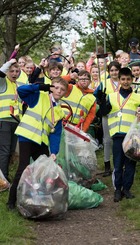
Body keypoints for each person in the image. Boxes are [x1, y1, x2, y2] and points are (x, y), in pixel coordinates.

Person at [7, 77, 68, 210]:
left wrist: (53, 152)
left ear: (65, 93)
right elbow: (21, 90)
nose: (59, 91)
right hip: (27, 137)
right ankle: (11, 201)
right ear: (51, 87)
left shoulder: (59, 111)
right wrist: (39, 87)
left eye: (62, 89)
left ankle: (40, 199)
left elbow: (55, 134)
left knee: (45, 171)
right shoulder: (38, 96)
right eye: (56, 87)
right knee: (23, 168)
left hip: (41, 142)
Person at [99, 67, 140, 202]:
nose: (126, 82)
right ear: (119, 80)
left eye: (128, 79)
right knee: (118, 163)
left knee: (130, 163)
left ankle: (126, 189)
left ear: (132, 80)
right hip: (117, 135)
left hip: (132, 137)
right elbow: (103, 113)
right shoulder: (111, 96)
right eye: (123, 79)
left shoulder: (137, 97)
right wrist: (101, 102)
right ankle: (117, 189)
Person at [94, 61, 121, 177]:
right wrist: (100, 98)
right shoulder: (104, 83)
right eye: (112, 70)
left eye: (116, 70)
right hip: (108, 113)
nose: (114, 72)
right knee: (107, 139)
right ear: (109, 72)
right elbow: (96, 95)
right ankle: (107, 165)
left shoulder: (123, 81)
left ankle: (119, 164)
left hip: (121, 114)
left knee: (119, 139)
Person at [0, 59, 21, 180]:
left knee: (11, 151)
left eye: (17, 71)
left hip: (15, 121)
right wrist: (9, 62)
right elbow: (0, 72)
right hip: (3, 120)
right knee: (4, 150)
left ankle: (4, 177)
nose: (14, 73)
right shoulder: (3, 82)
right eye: (12, 71)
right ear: (7, 72)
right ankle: (3, 179)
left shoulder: (16, 85)